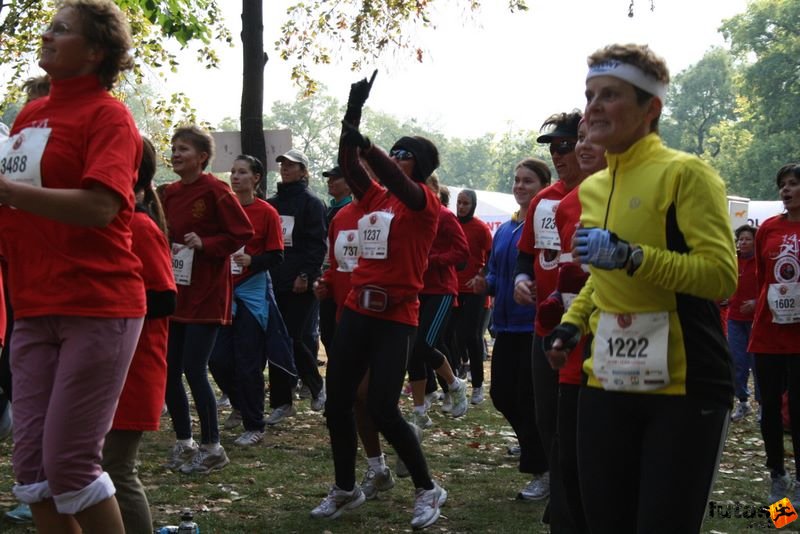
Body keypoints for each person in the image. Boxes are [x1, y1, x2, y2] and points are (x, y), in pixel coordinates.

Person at [546, 43, 737, 532]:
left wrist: (634, 256)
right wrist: (571, 325)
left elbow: (720, 276)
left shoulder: (685, 173)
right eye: (590, 95)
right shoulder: (592, 187)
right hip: (606, 380)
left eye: (610, 95)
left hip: (684, 385)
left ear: (650, 108)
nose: (593, 107)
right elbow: (601, 279)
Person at [0, 1, 147, 530]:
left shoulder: (110, 116)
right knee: (32, 472)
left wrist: (7, 191)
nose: (46, 35)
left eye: (60, 30)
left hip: (97, 305)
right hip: (34, 304)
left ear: (95, 50)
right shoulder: (29, 115)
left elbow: (101, 206)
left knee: (70, 466)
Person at [312, 72, 448, 530]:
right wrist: (351, 121)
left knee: (384, 408)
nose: (396, 157)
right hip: (355, 311)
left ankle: (428, 488)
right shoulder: (376, 199)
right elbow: (352, 169)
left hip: (396, 317)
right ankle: (346, 487)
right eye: (395, 151)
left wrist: (368, 145)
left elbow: (389, 174)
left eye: (405, 153)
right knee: (337, 403)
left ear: (421, 165)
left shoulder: (422, 201)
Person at [162, 125, 254, 474]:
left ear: (202, 157)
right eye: (173, 147)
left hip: (207, 294)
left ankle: (212, 446)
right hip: (177, 292)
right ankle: (184, 442)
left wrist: (207, 244)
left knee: (194, 370)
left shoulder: (216, 190)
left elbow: (242, 233)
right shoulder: (169, 193)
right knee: (170, 371)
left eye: (183, 148)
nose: (175, 153)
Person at [102, 137, 176, 534]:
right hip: (108, 363)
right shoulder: (117, 221)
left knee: (115, 470)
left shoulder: (139, 226)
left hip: (134, 367)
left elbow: (164, 299)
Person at [537, 117, 607, 533]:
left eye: (584, 139)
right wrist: (553, 302)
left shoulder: (662, 187)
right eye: (574, 140)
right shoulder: (564, 205)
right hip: (573, 349)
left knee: (604, 459)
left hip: (632, 360)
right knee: (567, 450)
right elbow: (571, 271)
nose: (575, 149)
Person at [513, 109, 583, 511]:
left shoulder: (605, 193)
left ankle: (579, 483)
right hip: (546, 325)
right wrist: (522, 280)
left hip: (595, 327)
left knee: (581, 414)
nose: (558, 155)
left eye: (565, 145)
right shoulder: (542, 200)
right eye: (553, 148)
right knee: (547, 411)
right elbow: (527, 257)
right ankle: (555, 479)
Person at [473, 158, 551, 501]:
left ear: (543, 186)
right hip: (504, 325)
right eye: (517, 180)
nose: (520, 186)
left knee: (527, 398)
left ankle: (544, 469)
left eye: (528, 181)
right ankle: (532, 446)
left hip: (533, 326)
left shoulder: (548, 226)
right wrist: (483, 284)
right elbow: (495, 273)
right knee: (502, 396)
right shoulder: (506, 229)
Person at [208, 155, 284, 446]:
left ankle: (255, 424)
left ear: (256, 179)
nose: (235, 177)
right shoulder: (221, 210)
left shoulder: (266, 212)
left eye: (242, 172)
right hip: (221, 291)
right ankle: (240, 404)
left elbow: (277, 256)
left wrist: (252, 260)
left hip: (252, 294)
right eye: (233, 171)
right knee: (216, 359)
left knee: (249, 362)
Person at [749, 163, 800, 503]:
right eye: (782, 184)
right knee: (768, 407)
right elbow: (761, 276)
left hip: (798, 338)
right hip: (767, 333)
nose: (786, 189)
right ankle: (777, 475)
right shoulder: (767, 228)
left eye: (793, 184)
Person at [266, 148, 328, 423]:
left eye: (292, 165)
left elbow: (317, 245)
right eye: (283, 165)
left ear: (304, 171)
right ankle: (282, 402)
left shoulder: (312, 203)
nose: (286, 169)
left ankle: (316, 385)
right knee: (276, 341)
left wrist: (305, 275)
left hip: (300, 284)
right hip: (274, 281)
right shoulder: (272, 204)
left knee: (293, 338)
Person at [451, 189, 493, 404]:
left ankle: (477, 386)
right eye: (459, 202)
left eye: (466, 203)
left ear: (473, 205)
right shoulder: (452, 224)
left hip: (475, 292)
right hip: (453, 289)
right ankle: (456, 380)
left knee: (473, 336)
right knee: (454, 337)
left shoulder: (481, 228)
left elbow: (491, 257)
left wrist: (480, 276)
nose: (461, 207)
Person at [728, 224, 760, 422]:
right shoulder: (733, 261)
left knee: (758, 365)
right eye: (740, 239)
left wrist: (757, 303)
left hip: (757, 321)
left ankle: (763, 405)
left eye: (747, 239)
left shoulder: (761, 261)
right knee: (737, 362)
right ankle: (743, 403)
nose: (743, 242)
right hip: (735, 319)